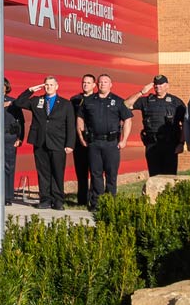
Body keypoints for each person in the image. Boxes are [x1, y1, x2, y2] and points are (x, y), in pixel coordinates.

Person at [76, 74, 132, 211]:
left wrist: (124, 140)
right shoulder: (89, 101)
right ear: (97, 84)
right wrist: (82, 137)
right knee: (96, 174)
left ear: (110, 84)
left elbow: (128, 120)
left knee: (111, 174)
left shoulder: (118, 101)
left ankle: (110, 203)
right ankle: (96, 203)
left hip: (111, 143)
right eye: (100, 82)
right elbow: (80, 119)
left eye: (105, 82)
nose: (102, 84)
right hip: (94, 143)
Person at [19, 76, 75, 209]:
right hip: (40, 141)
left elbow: (70, 125)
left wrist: (70, 144)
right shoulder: (37, 101)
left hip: (58, 142)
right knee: (43, 172)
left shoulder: (65, 104)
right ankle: (45, 199)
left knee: (57, 172)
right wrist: (30, 90)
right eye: (46, 85)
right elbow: (19, 103)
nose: (48, 87)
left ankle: (58, 200)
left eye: (51, 84)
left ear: (57, 86)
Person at [132, 74, 187, 177]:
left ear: (167, 85)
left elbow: (184, 124)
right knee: (154, 176)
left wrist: (181, 143)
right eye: (156, 84)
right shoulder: (146, 100)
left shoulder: (176, 102)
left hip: (170, 145)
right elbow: (126, 105)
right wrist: (141, 92)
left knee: (170, 177)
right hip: (152, 144)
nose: (158, 87)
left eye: (161, 84)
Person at [70, 74, 98, 205]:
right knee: (81, 171)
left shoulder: (98, 99)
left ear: (94, 85)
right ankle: (82, 199)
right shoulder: (75, 99)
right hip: (79, 140)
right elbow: (71, 120)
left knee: (94, 170)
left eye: (88, 82)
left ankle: (93, 199)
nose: (85, 84)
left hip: (94, 139)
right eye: (83, 82)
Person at [0, 79, 28, 208]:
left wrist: (20, 138)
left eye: (3, 85)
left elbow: (21, 122)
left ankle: (8, 196)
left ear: (6, 87)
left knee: (8, 168)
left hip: (9, 137)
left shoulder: (13, 102)